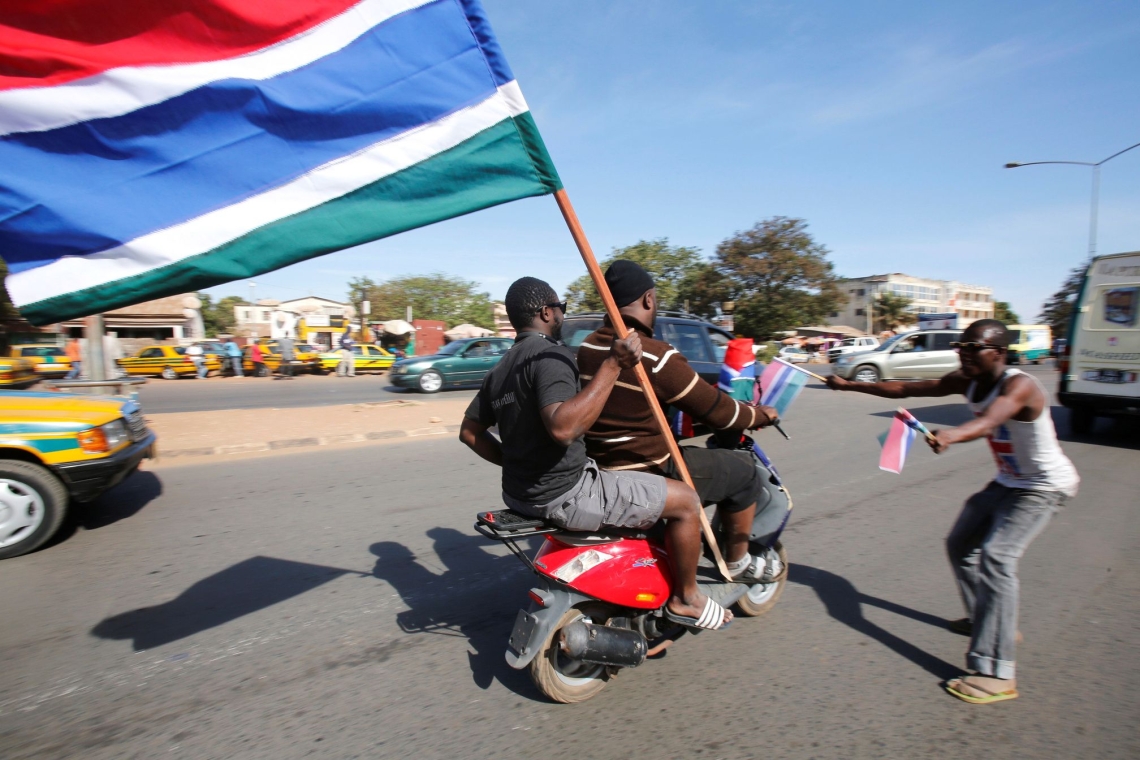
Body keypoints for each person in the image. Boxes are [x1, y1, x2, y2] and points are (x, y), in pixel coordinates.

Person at [826, 319, 1079, 704]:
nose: (963, 352)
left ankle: (997, 671)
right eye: (961, 345)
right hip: (1011, 482)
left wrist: (951, 435)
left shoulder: (1019, 385)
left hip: (1044, 486)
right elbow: (904, 388)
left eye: (973, 347)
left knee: (997, 557)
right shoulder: (967, 379)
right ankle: (989, 620)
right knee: (961, 544)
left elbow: (991, 420)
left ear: (998, 352)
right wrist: (850, 385)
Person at [460, 277, 732, 630]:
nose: (562, 315)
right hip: (568, 494)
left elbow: (469, 432)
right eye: (562, 309)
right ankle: (687, 599)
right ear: (546, 312)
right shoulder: (551, 356)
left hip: (518, 494)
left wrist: (512, 459)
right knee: (685, 501)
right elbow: (563, 428)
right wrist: (613, 365)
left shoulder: (501, 367)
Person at [577, 261, 784, 584]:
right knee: (743, 474)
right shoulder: (655, 356)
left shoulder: (587, 346)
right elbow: (720, 414)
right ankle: (737, 562)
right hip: (649, 468)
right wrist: (761, 414)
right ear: (648, 300)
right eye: (655, 298)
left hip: (602, 465)